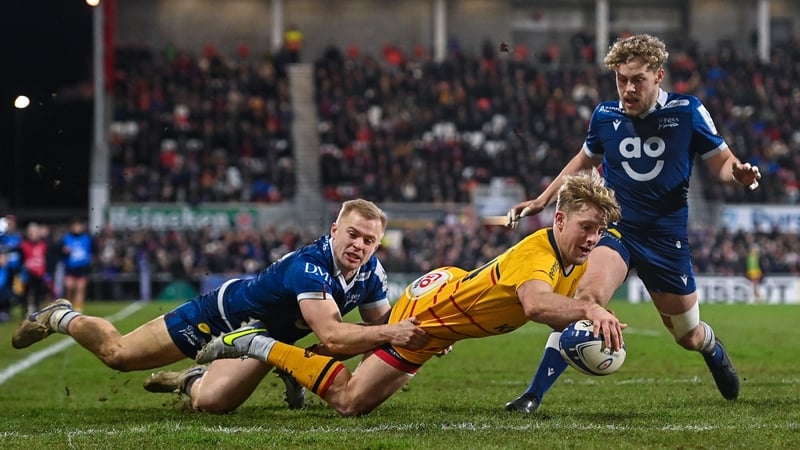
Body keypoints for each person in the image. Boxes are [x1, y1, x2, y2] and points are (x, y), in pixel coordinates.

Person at [193, 170, 623, 416]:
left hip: (450, 292)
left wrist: (590, 307)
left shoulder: (575, 256)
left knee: (347, 358)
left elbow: (563, 298)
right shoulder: (538, 254)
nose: (593, 238)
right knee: (350, 402)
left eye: (600, 231)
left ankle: (297, 366)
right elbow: (535, 303)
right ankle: (257, 344)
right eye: (586, 227)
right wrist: (592, 313)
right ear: (560, 219)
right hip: (428, 316)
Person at [504, 34, 762, 414]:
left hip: (666, 237)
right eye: (621, 79)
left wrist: (737, 174)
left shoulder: (687, 111)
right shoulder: (605, 116)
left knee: (686, 335)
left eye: (637, 80)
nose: (627, 88)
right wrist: (542, 200)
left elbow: (723, 163)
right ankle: (533, 395)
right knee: (585, 301)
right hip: (617, 230)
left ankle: (711, 346)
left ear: (658, 76)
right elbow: (582, 161)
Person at [11, 199, 429, 413]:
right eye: (352, 234)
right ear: (334, 229)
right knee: (118, 355)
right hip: (220, 317)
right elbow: (337, 336)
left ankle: (192, 378)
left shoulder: (372, 271)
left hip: (260, 337)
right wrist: (394, 335)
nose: (359, 245)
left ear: (378, 244)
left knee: (212, 404)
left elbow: (379, 325)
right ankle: (60, 315)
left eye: (368, 240)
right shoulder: (309, 266)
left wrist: (417, 342)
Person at [61, 218, 94, 312]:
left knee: (80, 288)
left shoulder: (86, 238)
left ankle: (78, 309)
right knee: (70, 287)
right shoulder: (67, 238)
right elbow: (60, 251)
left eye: (78, 226)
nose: (77, 228)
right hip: (70, 267)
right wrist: (65, 251)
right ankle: (69, 307)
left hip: (82, 267)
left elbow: (92, 251)